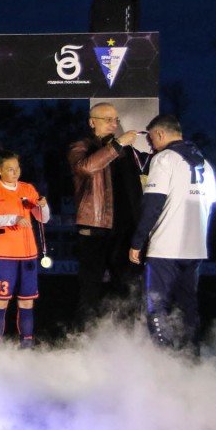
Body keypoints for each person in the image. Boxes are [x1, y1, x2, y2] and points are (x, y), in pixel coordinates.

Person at [129, 115, 216, 350]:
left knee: (156, 304)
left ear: (160, 134)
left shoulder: (164, 159)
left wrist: (137, 241)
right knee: (188, 306)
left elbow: (153, 204)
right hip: (196, 247)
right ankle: (192, 357)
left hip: (165, 247)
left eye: (151, 139)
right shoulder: (205, 163)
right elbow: (211, 206)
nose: (151, 145)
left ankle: (163, 359)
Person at [68, 102, 144, 317]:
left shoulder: (126, 151)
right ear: (92, 123)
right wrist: (117, 145)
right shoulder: (81, 147)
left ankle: (124, 332)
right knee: (89, 288)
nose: (113, 124)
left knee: (127, 287)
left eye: (115, 120)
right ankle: (85, 333)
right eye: (107, 119)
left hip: (124, 231)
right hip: (95, 228)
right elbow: (85, 168)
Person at [0, 149, 50, 347]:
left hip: (27, 254)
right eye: (10, 169)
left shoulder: (28, 189)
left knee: (27, 301)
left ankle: (26, 346)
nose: (15, 172)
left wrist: (43, 206)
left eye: (17, 168)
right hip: (2, 253)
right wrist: (14, 218)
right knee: (0, 302)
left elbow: (43, 218)